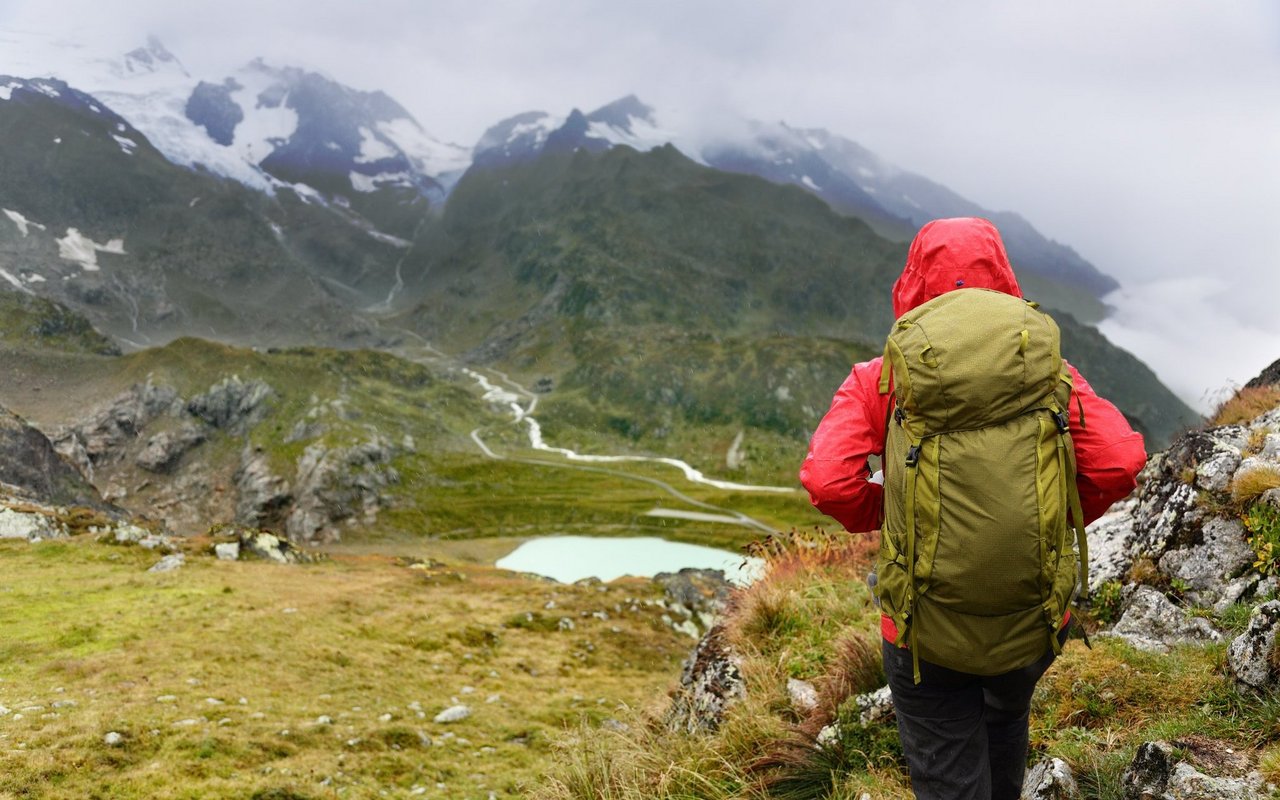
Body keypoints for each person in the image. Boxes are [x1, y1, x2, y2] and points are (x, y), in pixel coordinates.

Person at [799, 217, 1146, 800]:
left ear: (912, 281)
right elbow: (1118, 461)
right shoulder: (1048, 374)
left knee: (947, 769)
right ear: (1003, 276)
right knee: (1005, 720)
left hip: (922, 630)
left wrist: (897, 516)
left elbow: (828, 481)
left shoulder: (880, 381)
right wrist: (1051, 516)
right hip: (1029, 617)